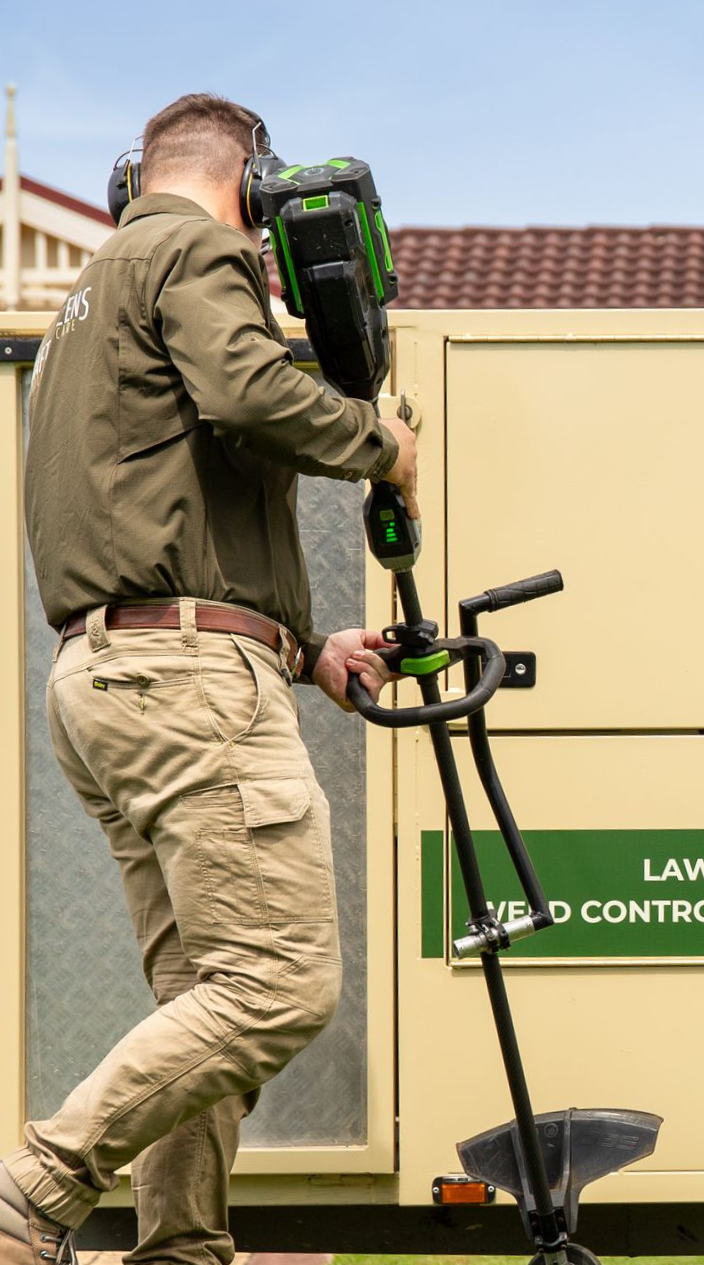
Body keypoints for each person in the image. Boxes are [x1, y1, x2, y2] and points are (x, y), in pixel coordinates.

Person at [0, 93, 418, 1265]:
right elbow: (247, 389)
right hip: (185, 687)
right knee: (280, 984)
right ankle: (34, 1189)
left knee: (203, 990)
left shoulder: (90, 300)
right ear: (252, 184)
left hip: (109, 677)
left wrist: (308, 645)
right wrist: (386, 445)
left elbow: (169, 507)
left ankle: (181, 1245)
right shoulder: (194, 247)